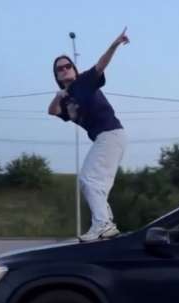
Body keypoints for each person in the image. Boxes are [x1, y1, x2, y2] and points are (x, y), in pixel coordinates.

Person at [48, 27, 130, 242]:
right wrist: (59, 96)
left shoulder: (83, 81)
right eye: (60, 69)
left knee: (88, 179)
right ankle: (107, 225)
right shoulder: (65, 99)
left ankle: (102, 224)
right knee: (98, 186)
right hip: (110, 138)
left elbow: (101, 64)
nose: (64, 69)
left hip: (110, 134)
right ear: (57, 76)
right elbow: (52, 111)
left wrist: (114, 44)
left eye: (68, 66)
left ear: (74, 69)